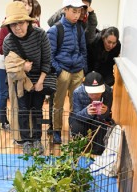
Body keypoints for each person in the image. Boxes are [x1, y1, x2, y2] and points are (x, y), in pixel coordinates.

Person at [2, 1, 51, 155]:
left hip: (39, 79)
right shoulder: (8, 41)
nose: (18, 28)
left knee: (37, 110)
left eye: (21, 23)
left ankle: (37, 138)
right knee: (22, 110)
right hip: (20, 80)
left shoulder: (40, 34)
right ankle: (26, 141)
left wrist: (41, 81)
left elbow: (47, 61)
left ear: (28, 21)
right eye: (13, 24)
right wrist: (22, 67)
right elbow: (9, 66)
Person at [47, 0, 87, 144]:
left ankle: (74, 129)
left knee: (76, 103)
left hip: (77, 70)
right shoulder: (54, 30)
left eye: (79, 12)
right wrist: (59, 71)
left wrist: (83, 67)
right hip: (62, 70)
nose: (77, 15)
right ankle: (56, 131)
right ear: (65, 9)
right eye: (74, 11)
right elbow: (49, 55)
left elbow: (83, 50)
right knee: (58, 104)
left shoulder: (79, 29)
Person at [0, 0, 34, 132]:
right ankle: (3, 121)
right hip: (4, 65)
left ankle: (24, 128)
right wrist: (18, 61)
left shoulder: (34, 26)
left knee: (22, 99)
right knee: (4, 93)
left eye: (28, 3)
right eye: (22, 2)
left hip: (25, 68)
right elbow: (0, 48)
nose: (25, 5)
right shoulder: (5, 25)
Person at [69, 71, 113, 155]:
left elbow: (107, 116)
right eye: (92, 93)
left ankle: (97, 152)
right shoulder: (77, 92)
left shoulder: (108, 92)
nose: (95, 95)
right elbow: (76, 115)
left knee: (102, 128)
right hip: (82, 120)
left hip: (98, 120)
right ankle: (80, 148)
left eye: (98, 92)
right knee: (77, 127)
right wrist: (86, 112)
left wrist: (105, 111)